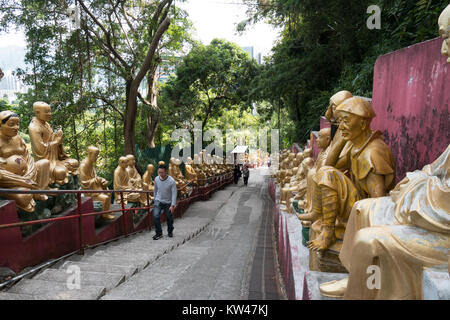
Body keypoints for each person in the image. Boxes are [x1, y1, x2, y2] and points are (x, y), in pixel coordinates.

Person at [152, 164, 177, 240]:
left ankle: (170, 231)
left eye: (162, 173)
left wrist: (172, 205)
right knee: (155, 216)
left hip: (168, 202)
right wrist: (155, 199)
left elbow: (174, 193)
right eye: (159, 172)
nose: (161, 174)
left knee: (169, 217)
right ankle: (159, 233)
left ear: (166, 172)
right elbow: (155, 190)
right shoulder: (156, 179)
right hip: (158, 200)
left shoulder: (171, 181)